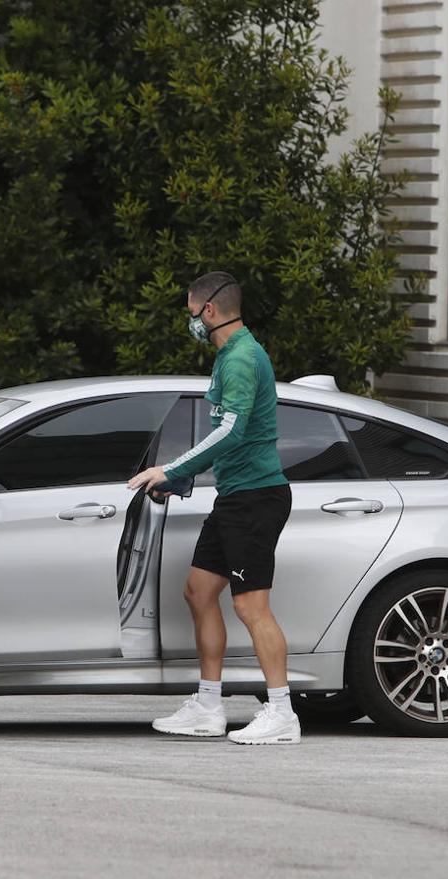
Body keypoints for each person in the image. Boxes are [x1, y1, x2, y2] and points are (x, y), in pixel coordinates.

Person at [126, 271, 300, 745]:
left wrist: (168, 469)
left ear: (208, 310)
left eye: (190, 312)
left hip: (257, 498)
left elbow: (231, 432)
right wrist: (180, 479)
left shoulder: (243, 357)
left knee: (251, 606)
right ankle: (207, 706)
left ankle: (282, 713)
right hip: (235, 496)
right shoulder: (230, 356)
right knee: (199, 592)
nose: (191, 323)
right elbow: (224, 441)